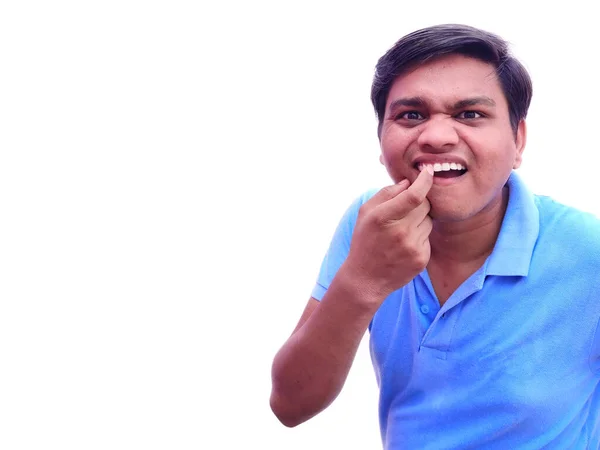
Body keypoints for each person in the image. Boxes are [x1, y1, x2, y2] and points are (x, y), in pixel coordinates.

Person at [269, 24, 600, 449]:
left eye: (470, 115)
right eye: (411, 115)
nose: (437, 136)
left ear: (518, 140)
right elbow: (291, 404)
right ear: (381, 137)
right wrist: (362, 280)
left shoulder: (588, 253)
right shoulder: (370, 222)